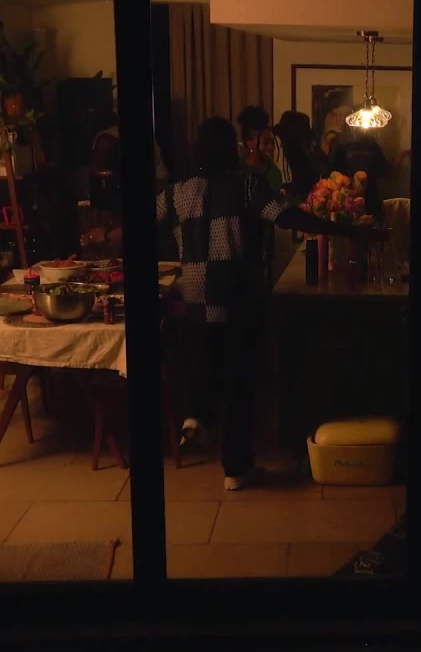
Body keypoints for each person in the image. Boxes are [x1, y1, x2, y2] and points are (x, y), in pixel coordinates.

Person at [157, 116, 379, 491]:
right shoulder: (247, 185)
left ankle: (196, 414)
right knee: (239, 383)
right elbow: (287, 217)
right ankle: (236, 470)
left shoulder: (177, 192)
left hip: (195, 297)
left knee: (204, 361)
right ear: (230, 148)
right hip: (237, 298)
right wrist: (346, 229)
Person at [236, 105, 284, 193]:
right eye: (265, 143)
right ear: (249, 142)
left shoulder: (273, 173)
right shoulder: (235, 170)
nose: (271, 147)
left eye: (272, 142)